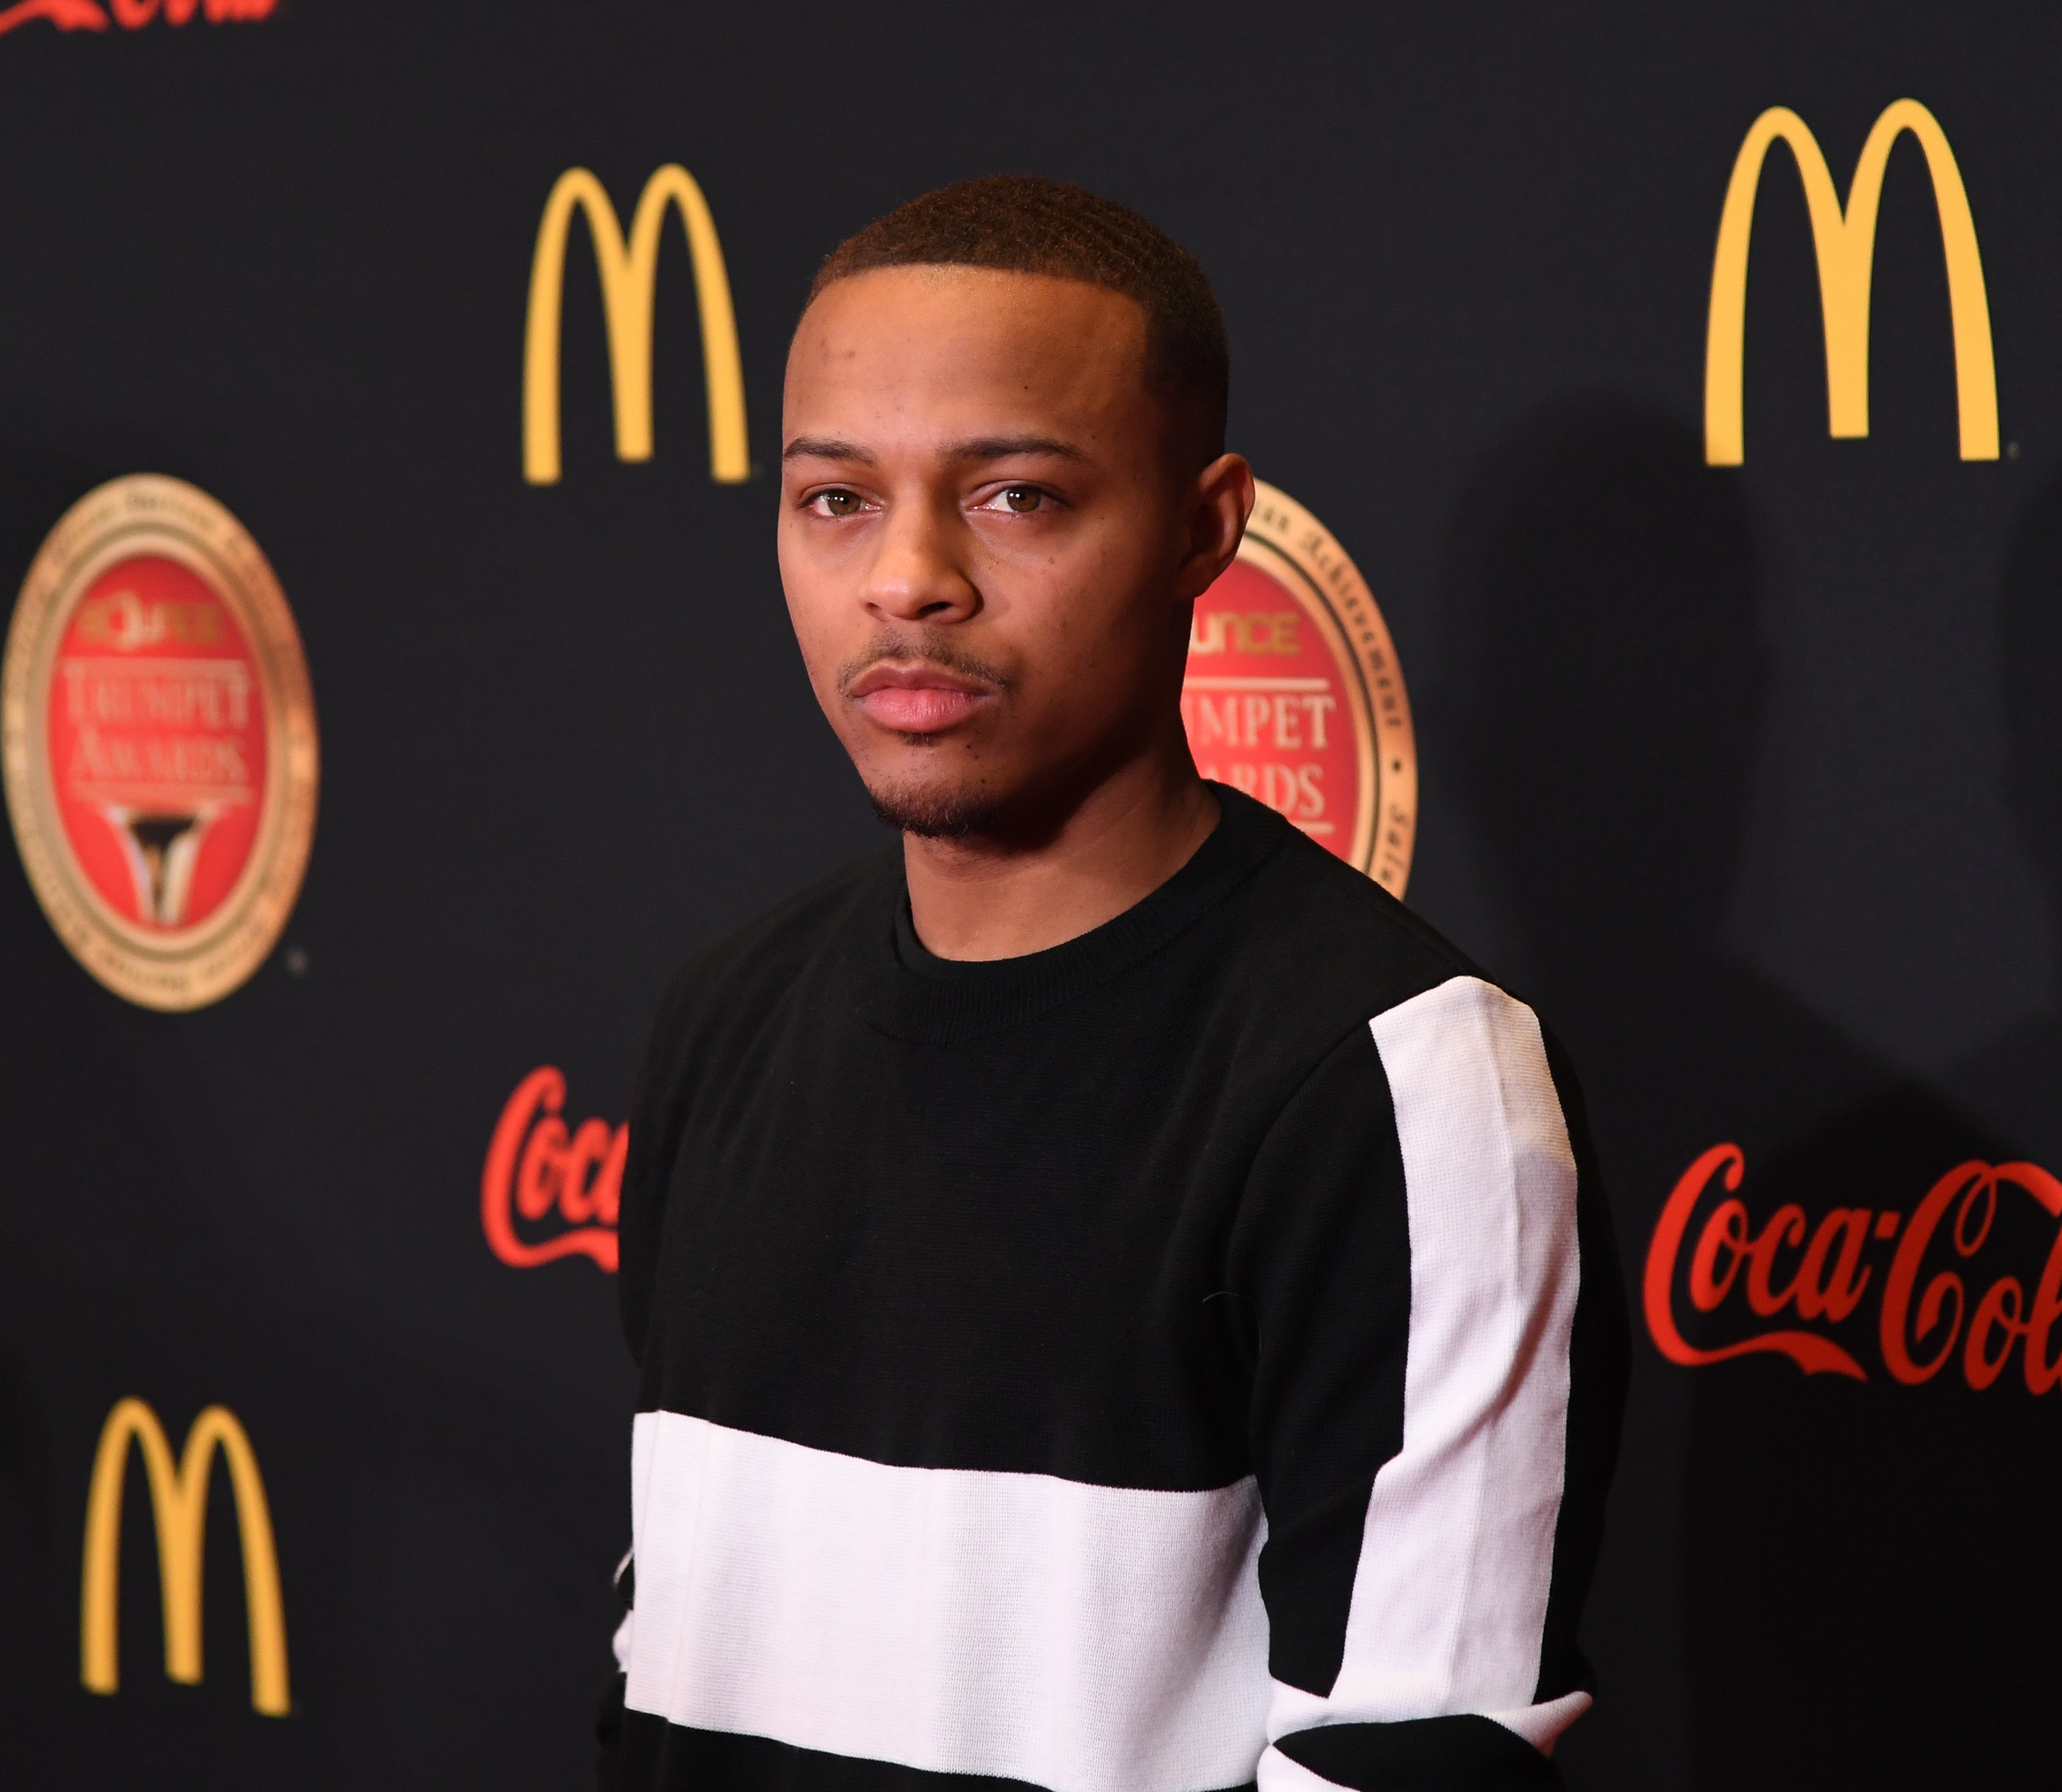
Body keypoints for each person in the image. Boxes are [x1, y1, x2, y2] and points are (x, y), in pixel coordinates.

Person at [606, 175, 1625, 1792]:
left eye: (1015, 497)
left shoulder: (1400, 1074)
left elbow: (1416, 1759)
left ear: (1205, 527)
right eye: (835, 500)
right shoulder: (720, 1019)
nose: (908, 579)